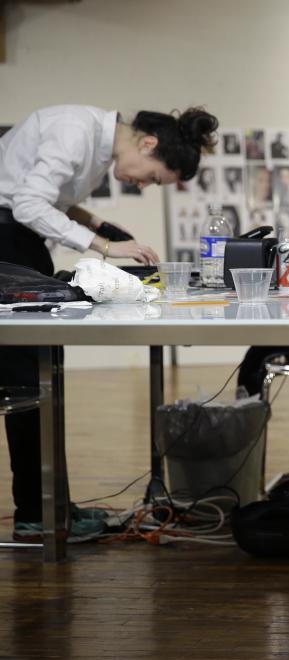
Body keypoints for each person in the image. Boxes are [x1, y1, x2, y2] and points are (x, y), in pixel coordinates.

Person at [0, 104, 218, 541]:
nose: (142, 184)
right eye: (152, 177)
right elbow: (26, 202)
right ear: (148, 143)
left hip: (18, 241)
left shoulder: (97, 142)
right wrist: (102, 245)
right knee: (30, 381)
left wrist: (103, 225)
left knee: (46, 374)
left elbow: (55, 199)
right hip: (8, 240)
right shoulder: (74, 131)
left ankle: (50, 506)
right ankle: (37, 514)